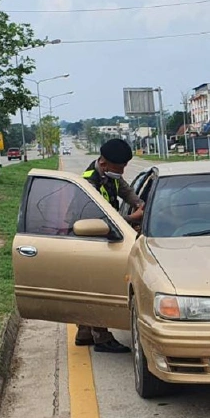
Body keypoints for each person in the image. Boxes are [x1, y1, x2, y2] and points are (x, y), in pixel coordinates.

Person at [75, 138, 145, 353]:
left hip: (106, 235)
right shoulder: (90, 183)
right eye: (119, 168)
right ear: (103, 163)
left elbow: (126, 191)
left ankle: (85, 332)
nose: (122, 172)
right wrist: (133, 218)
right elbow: (104, 219)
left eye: (124, 167)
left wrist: (139, 203)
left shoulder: (111, 176)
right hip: (93, 238)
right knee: (98, 286)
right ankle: (102, 337)